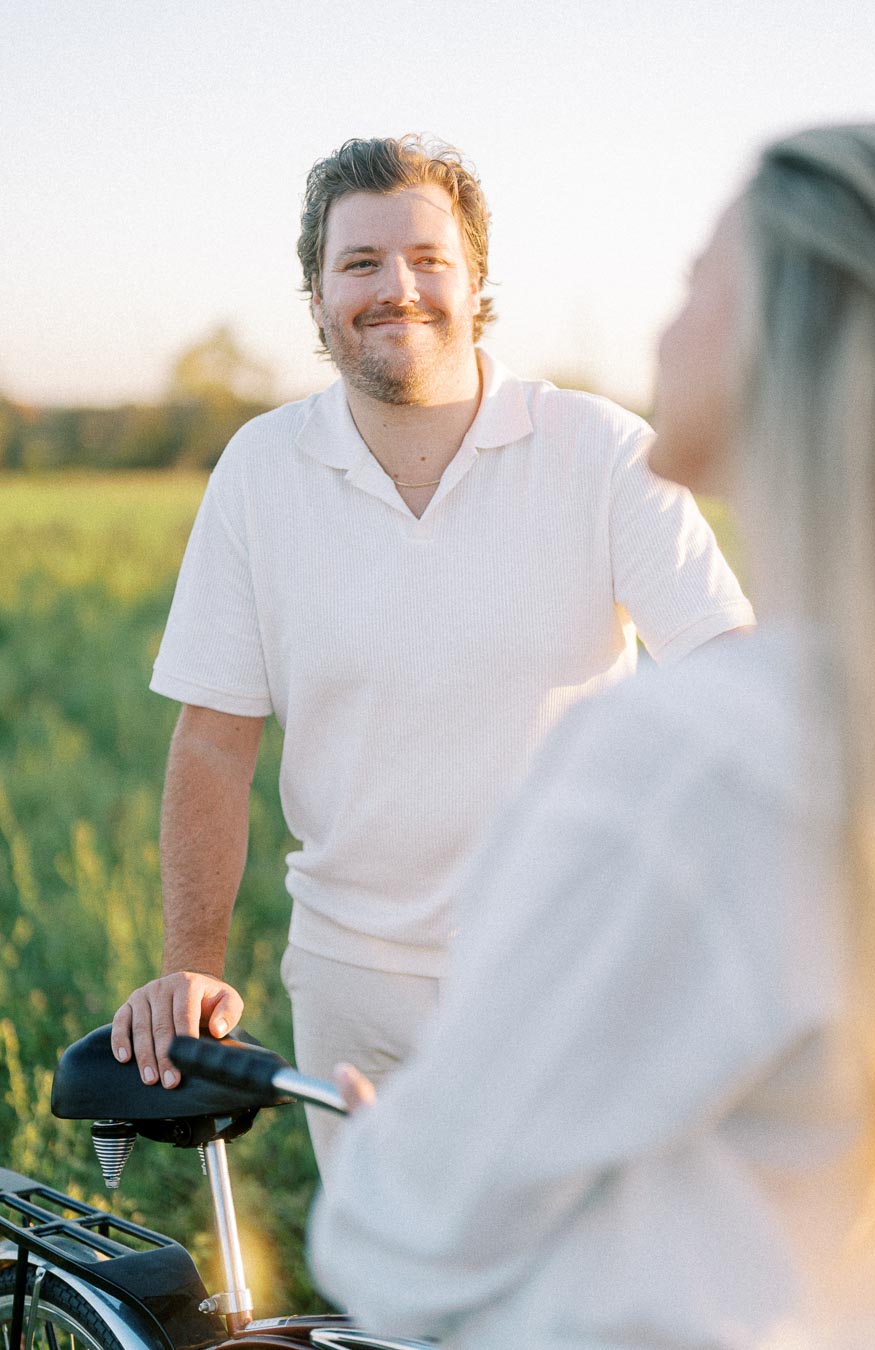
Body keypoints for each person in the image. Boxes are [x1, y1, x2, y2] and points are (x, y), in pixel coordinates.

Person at [309, 123, 875, 1346]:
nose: (662, 320)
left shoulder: (688, 763)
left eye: (694, 280)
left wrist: (391, 1157)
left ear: (778, 331)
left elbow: (406, 1240)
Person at [110, 135, 752, 1169]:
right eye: (359, 263)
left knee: (581, 1309)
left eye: (426, 258)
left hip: (578, 974)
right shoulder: (261, 471)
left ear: (475, 279)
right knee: (398, 1310)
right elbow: (214, 744)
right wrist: (192, 965)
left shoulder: (599, 450)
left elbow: (736, 684)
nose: (394, 288)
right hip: (354, 989)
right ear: (317, 294)